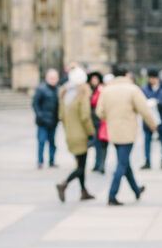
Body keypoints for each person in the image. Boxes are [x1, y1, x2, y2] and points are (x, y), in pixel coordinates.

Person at [96, 67, 158, 205]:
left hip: (113, 131)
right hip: (127, 132)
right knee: (122, 163)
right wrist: (152, 124)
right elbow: (144, 109)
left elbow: (100, 112)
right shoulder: (132, 89)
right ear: (126, 75)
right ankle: (112, 195)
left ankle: (136, 190)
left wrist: (110, 116)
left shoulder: (106, 90)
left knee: (125, 162)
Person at [55, 65, 96, 202]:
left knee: (80, 164)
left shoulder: (64, 95)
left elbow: (61, 116)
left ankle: (84, 191)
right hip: (81, 135)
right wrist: (91, 133)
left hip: (70, 135)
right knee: (81, 166)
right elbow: (85, 117)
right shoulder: (81, 96)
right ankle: (64, 184)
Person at [140, 69, 162, 170]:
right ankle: (147, 161)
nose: (152, 80)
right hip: (148, 119)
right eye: (150, 78)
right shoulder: (144, 89)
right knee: (147, 141)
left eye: (154, 78)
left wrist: (161, 103)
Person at [32, 68, 60, 169]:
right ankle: (40, 161)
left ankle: (52, 161)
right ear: (47, 78)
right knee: (42, 141)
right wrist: (40, 115)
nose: (53, 80)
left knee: (52, 143)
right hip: (43, 122)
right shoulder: (41, 89)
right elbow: (35, 103)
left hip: (53, 121)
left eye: (55, 78)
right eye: (51, 78)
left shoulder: (58, 89)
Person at [88, 71, 108, 173]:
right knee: (96, 144)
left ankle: (101, 164)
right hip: (92, 120)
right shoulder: (89, 90)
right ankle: (97, 164)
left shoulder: (102, 90)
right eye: (92, 79)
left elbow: (96, 102)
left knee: (102, 144)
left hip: (101, 121)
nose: (94, 81)